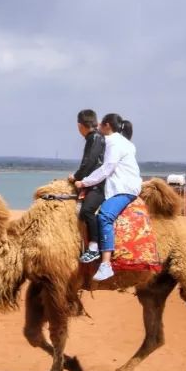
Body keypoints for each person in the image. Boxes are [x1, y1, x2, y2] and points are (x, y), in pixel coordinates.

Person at [74, 114, 140, 282]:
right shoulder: (123, 142)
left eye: (101, 125)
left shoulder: (114, 142)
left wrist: (84, 182)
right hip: (121, 186)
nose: (98, 128)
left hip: (123, 189)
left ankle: (105, 264)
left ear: (107, 125)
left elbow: (107, 168)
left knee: (104, 216)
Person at [69, 109, 107, 263]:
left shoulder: (95, 138)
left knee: (87, 210)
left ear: (80, 126)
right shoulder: (96, 137)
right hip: (94, 180)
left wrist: (77, 176)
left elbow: (90, 162)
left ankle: (93, 247)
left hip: (99, 184)